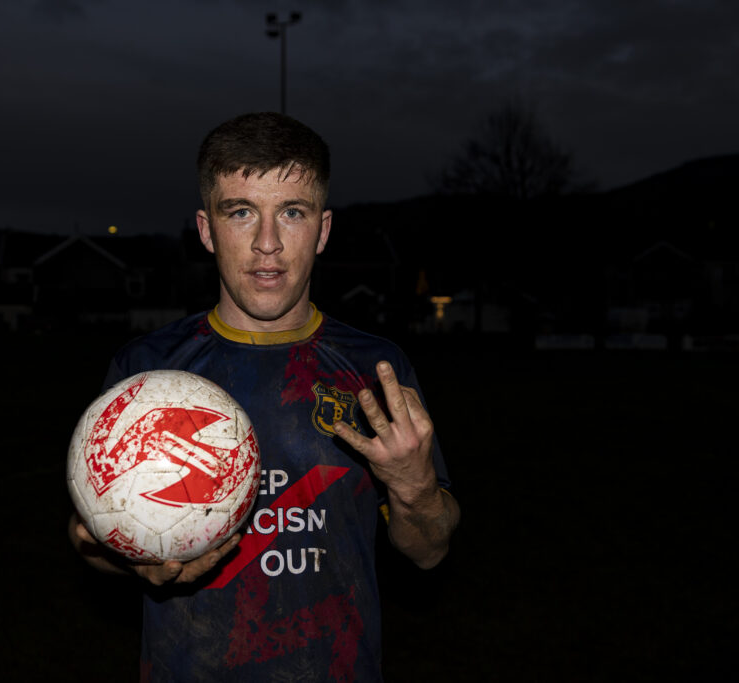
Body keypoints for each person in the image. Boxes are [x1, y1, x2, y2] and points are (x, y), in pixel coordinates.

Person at [68, 111, 459, 682]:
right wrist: (122, 557)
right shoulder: (147, 372)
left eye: (292, 213)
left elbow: (429, 551)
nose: (267, 244)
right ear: (206, 229)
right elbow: (87, 535)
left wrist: (416, 489)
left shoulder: (374, 371)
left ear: (323, 231)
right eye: (242, 212)